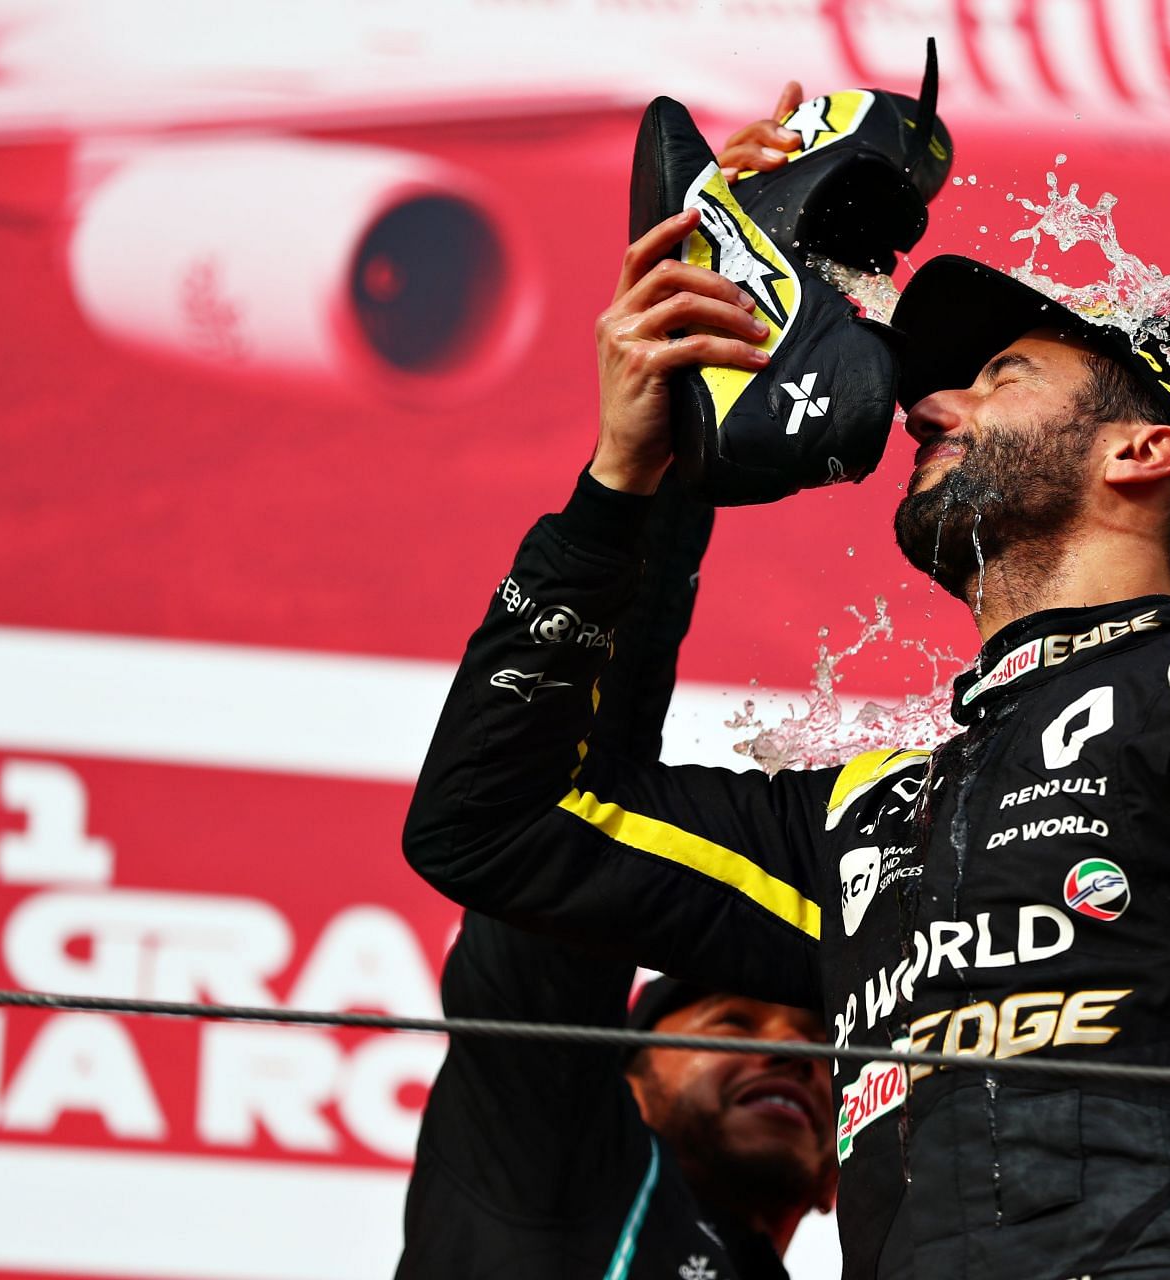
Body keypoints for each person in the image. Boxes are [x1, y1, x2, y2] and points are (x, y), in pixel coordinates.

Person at [404, 170, 1170, 1278]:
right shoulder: (867, 812)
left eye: (1003, 372)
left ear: (1141, 449)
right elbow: (499, 823)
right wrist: (639, 480)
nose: (929, 404)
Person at [396, 93, 839, 1280]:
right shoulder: (555, 1153)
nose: (792, 1057)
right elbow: (572, 812)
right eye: (736, 1025)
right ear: (624, 1064)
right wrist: (650, 471)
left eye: (814, 1045)